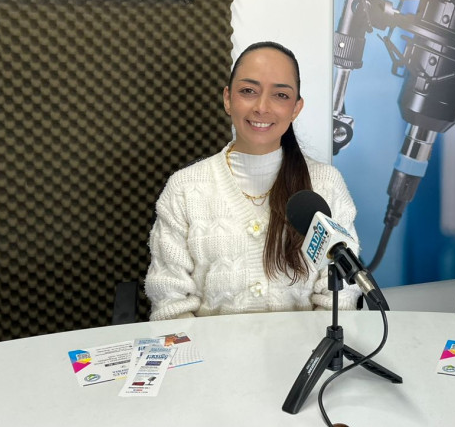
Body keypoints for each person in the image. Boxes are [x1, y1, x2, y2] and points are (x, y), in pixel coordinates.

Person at [145, 41, 361, 320]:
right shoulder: (185, 189)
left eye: (280, 95)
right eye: (248, 91)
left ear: (296, 108)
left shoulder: (326, 185)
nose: (262, 107)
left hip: (304, 358)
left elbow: (339, 299)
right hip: (211, 359)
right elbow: (171, 304)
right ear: (227, 99)